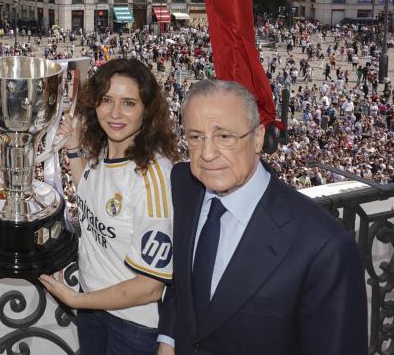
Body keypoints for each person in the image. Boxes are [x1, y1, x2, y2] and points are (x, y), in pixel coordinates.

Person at [156, 79, 367, 355]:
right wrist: (167, 341)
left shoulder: (325, 247)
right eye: (196, 137)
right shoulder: (184, 184)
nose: (207, 153)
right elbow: (181, 284)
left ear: (258, 138)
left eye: (224, 136)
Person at [39, 58, 180, 355]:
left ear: (147, 111)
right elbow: (92, 196)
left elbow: (150, 287)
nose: (115, 113)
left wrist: (77, 301)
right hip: (93, 307)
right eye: (107, 100)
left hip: (132, 324)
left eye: (129, 103)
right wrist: (75, 150)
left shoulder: (152, 178)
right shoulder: (103, 149)